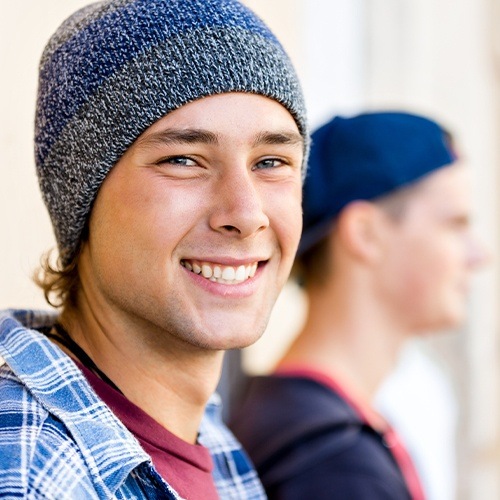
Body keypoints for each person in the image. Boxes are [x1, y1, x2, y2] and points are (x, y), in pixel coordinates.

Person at [0, 1, 309, 498]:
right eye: (184, 159)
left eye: (271, 161)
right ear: (80, 194)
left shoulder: (208, 440)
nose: (246, 213)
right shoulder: (30, 469)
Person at [230, 111, 488, 499]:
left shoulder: (297, 419)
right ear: (365, 234)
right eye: (454, 224)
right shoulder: (334, 465)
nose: (479, 254)